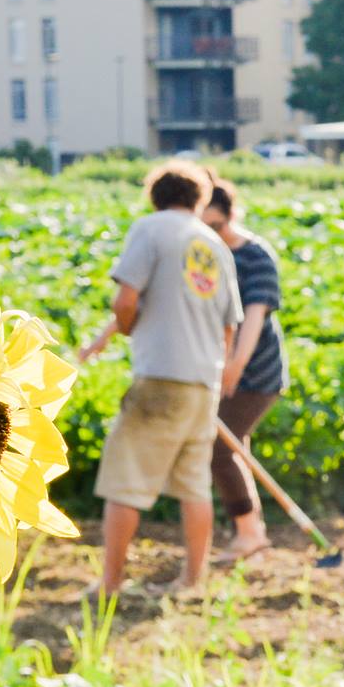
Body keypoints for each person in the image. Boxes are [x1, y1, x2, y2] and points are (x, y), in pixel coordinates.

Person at [80, 161, 242, 598]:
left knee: (125, 481)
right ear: (200, 200)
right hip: (202, 382)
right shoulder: (215, 245)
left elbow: (125, 298)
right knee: (194, 485)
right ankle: (193, 580)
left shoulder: (151, 230)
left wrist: (128, 326)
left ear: (154, 196)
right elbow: (230, 327)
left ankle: (111, 583)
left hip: (161, 376)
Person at [201, 176, 286, 563]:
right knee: (233, 447)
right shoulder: (201, 253)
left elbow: (254, 318)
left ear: (232, 216)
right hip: (214, 365)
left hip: (257, 372)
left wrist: (234, 367)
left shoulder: (255, 255)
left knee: (220, 449)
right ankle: (252, 531)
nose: (211, 234)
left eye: (217, 226)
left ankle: (249, 532)